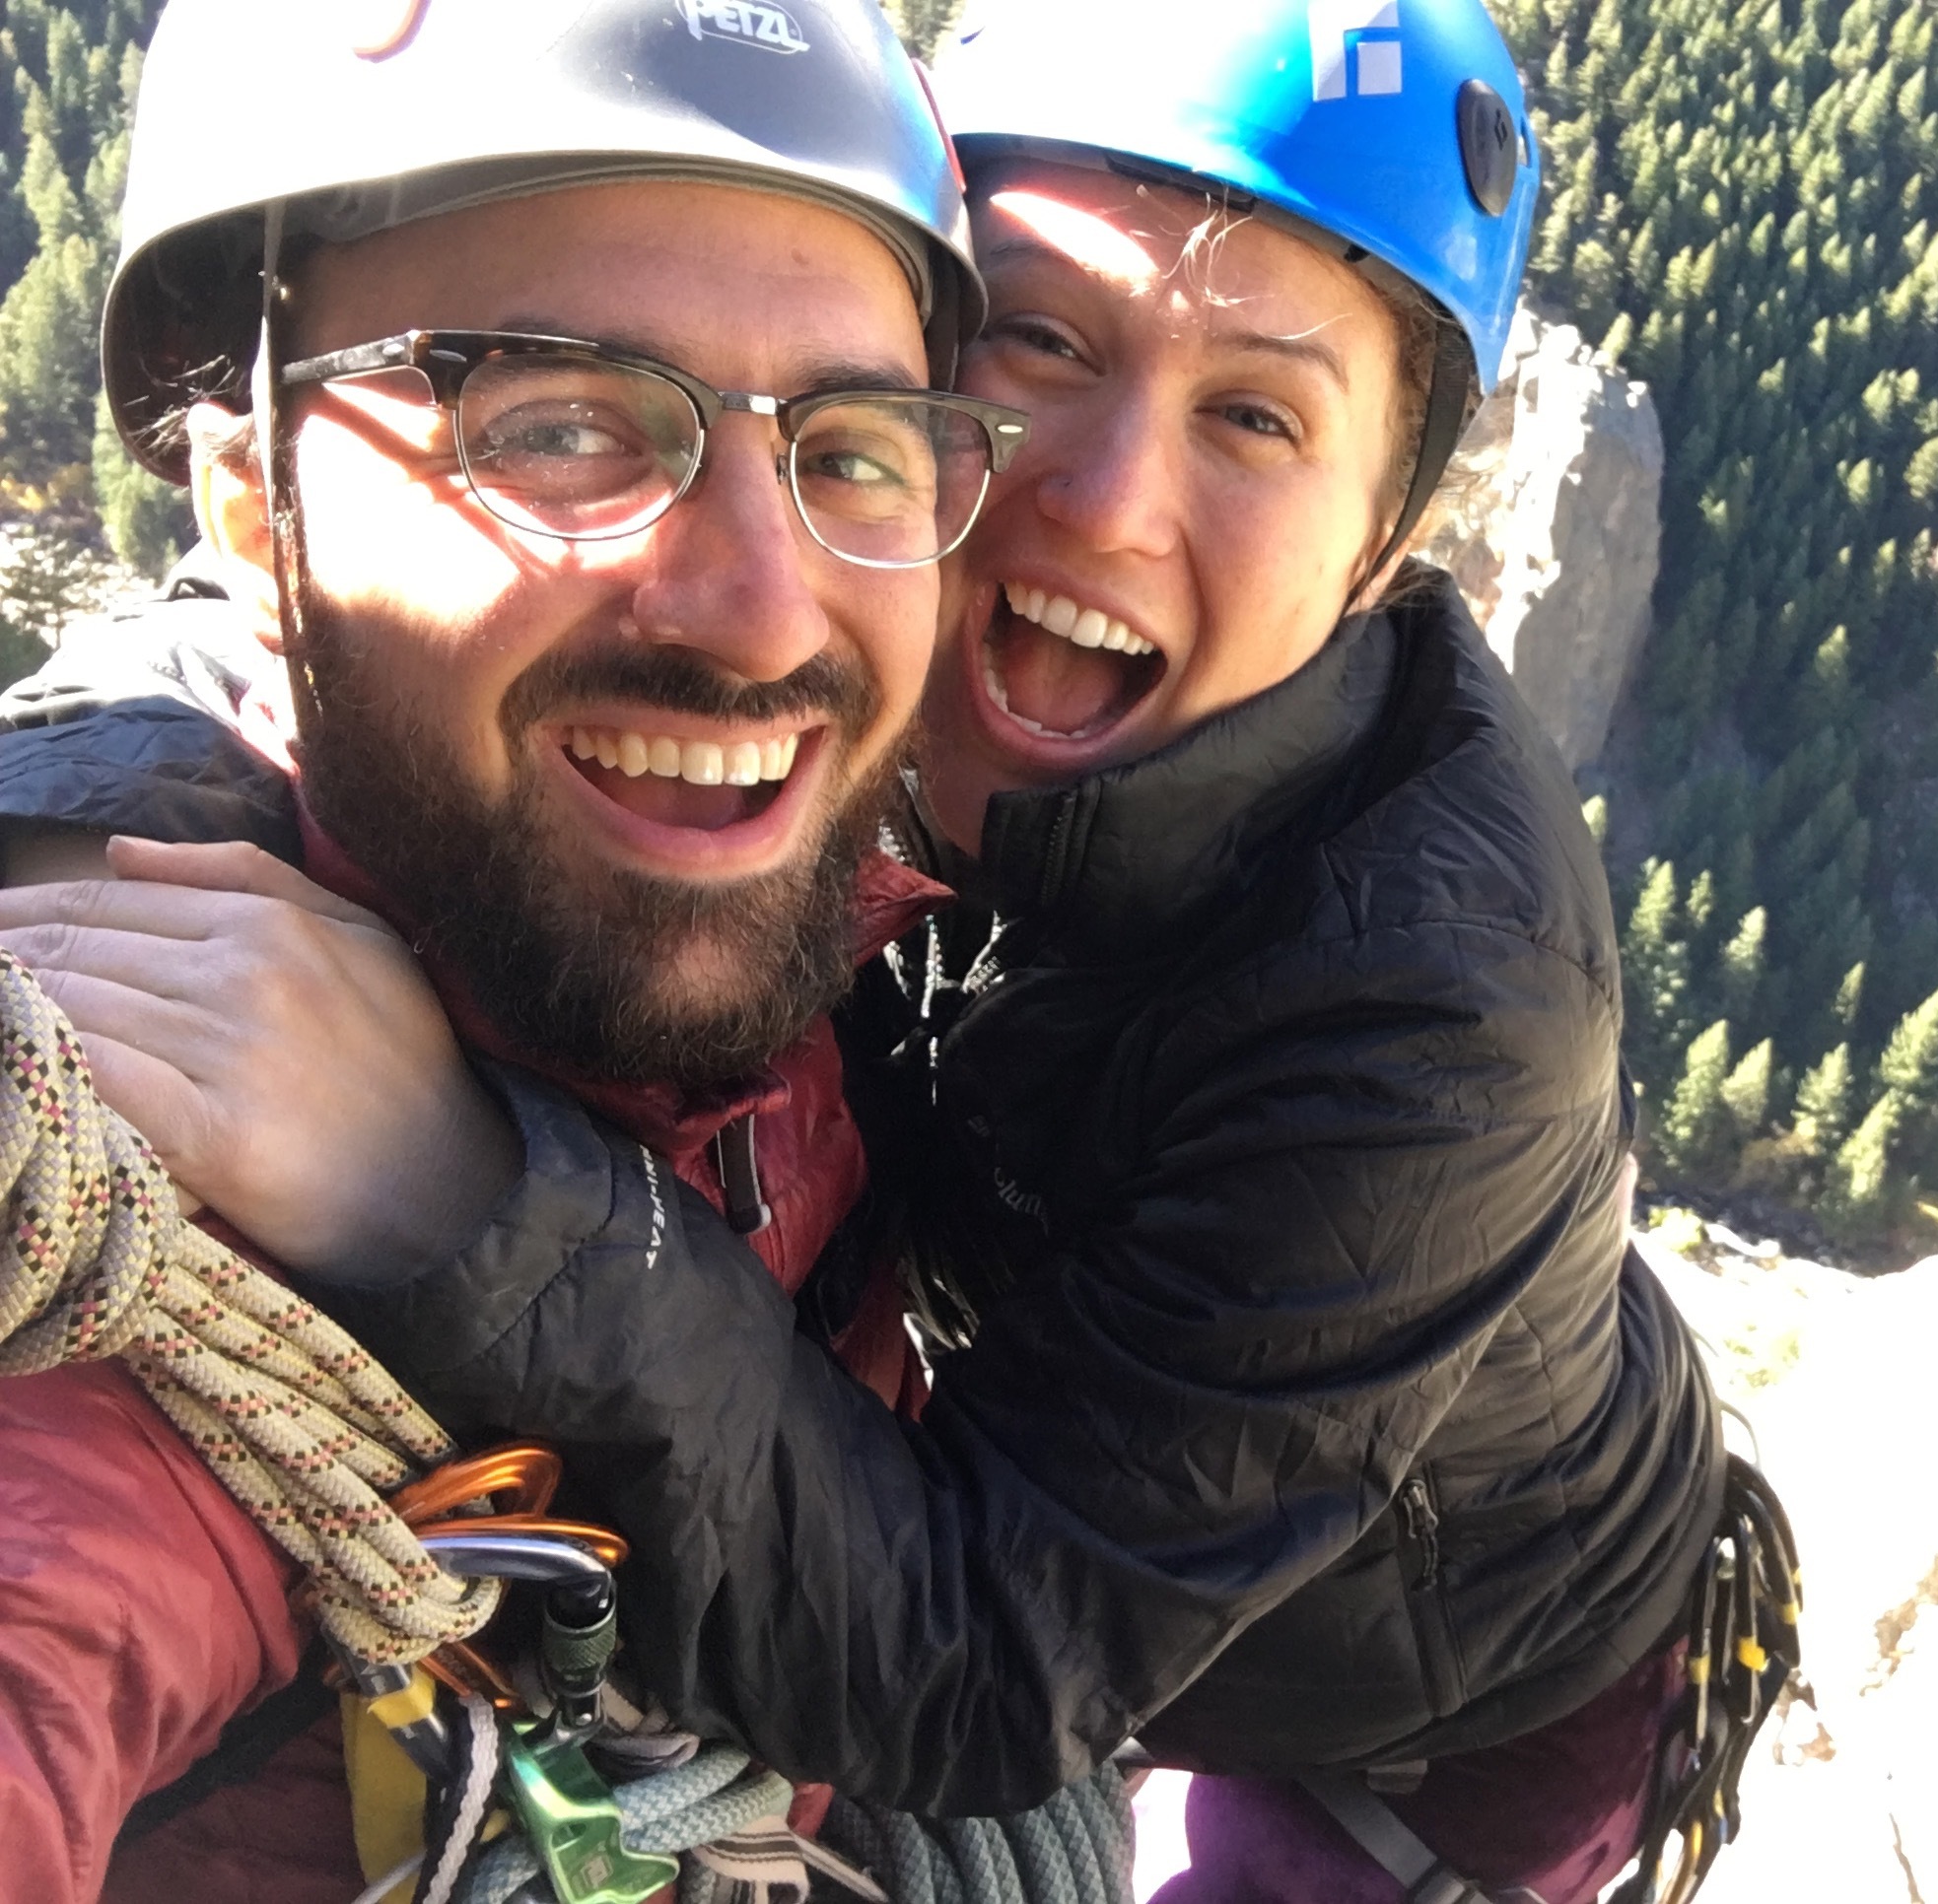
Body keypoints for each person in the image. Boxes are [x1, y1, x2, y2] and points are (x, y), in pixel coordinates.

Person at [7, 4, 1797, 1901]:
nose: (1097, 499)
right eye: (1038, 345)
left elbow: (991, 1659)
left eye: (1257, 416)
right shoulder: (846, 603)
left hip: (1452, 1699)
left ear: (1384, 554)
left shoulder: (1434, 1016)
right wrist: (65, 845)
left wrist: (457, 1184)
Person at [0, 2, 1016, 1899]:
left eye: (857, 448)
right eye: (553, 422)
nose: (759, 606)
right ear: (251, 498)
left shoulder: (860, 935)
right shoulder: (114, 1161)